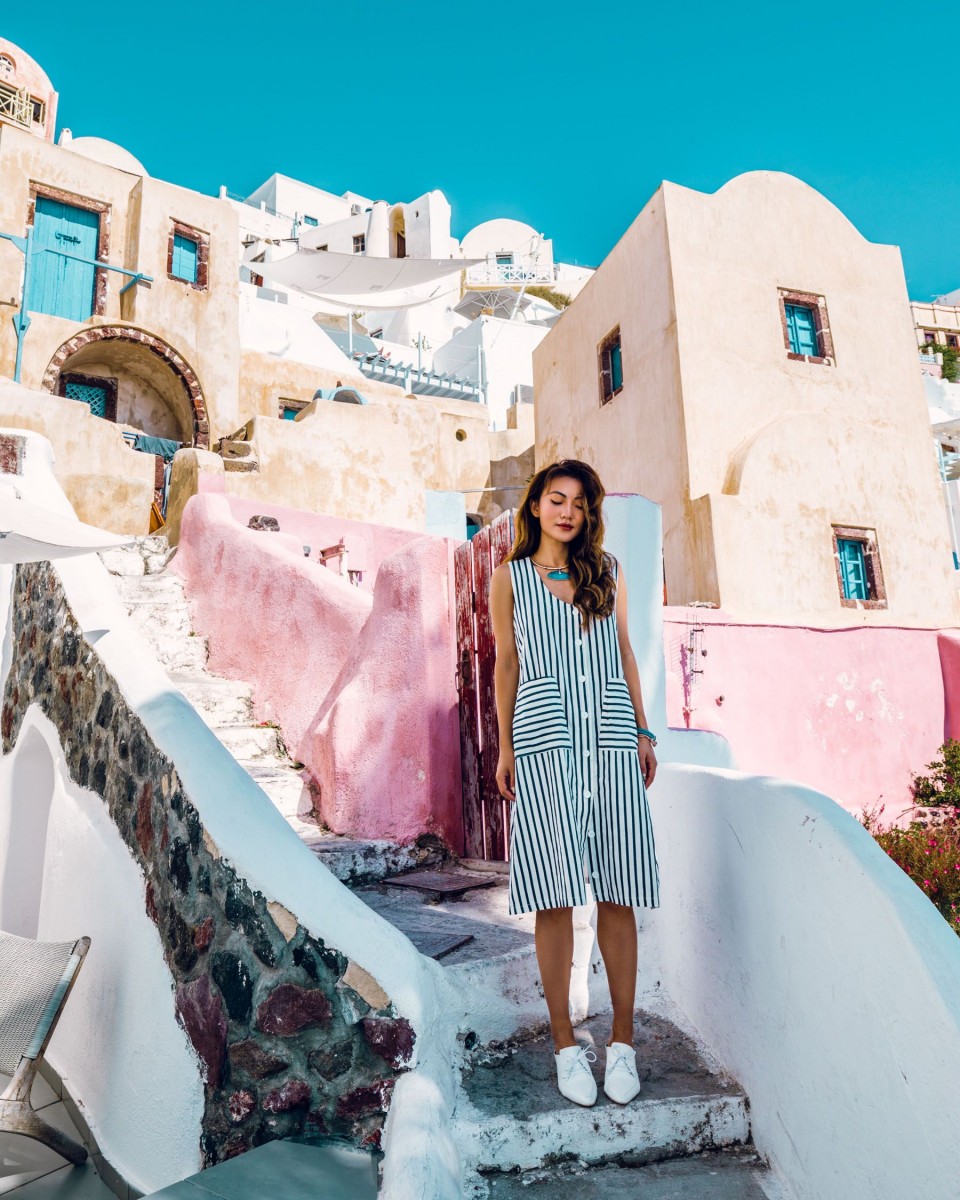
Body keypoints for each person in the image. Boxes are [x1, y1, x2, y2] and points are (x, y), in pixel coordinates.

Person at [489, 459, 660, 1108]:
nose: (567, 511)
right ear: (535, 506)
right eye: (555, 499)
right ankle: (565, 1042)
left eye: (579, 503)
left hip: (612, 738)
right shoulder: (511, 579)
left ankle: (622, 1042)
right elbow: (507, 662)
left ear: (589, 514)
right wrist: (504, 744)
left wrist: (643, 730)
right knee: (553, 892)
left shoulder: (605, 572)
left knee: (618, 888)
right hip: (543, 739)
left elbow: (623, 653)